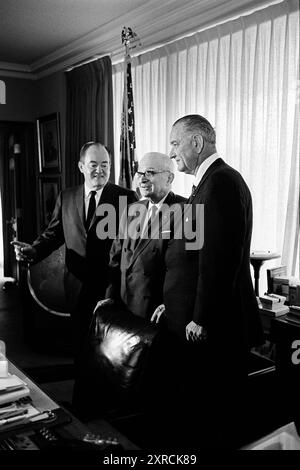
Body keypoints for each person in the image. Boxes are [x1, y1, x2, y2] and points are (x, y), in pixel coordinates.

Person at [162, 114, 264, 447]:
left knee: (219, 418)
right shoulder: (210, 183)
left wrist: (201, 317)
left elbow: (220, 258)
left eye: (176, 143)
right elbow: (194, 254)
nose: (172, 151)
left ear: (197, 142)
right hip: (206, 321)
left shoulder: (220, 183)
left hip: (218, 325)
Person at [12, 142, 138, 351]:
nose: (100, 170)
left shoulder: (126, 198)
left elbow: (132, 247)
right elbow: (53, 234)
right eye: (94, 165)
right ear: (81, 167)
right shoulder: (66, 196)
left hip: (111, 288)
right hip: (76, 286)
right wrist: (33, 250)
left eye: (105, 165)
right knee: (80, 348)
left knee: (110, 353)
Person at [96, 152, 186, 321]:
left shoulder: (185, 210)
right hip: (123, 307)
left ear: (169, 178)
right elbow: (115, 259)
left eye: (150, 173)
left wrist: (172, 304)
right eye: (140, 173)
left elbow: (184, 270)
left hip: (157, 314)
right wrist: (109, 296)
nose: (142, 179)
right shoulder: (131, 209)